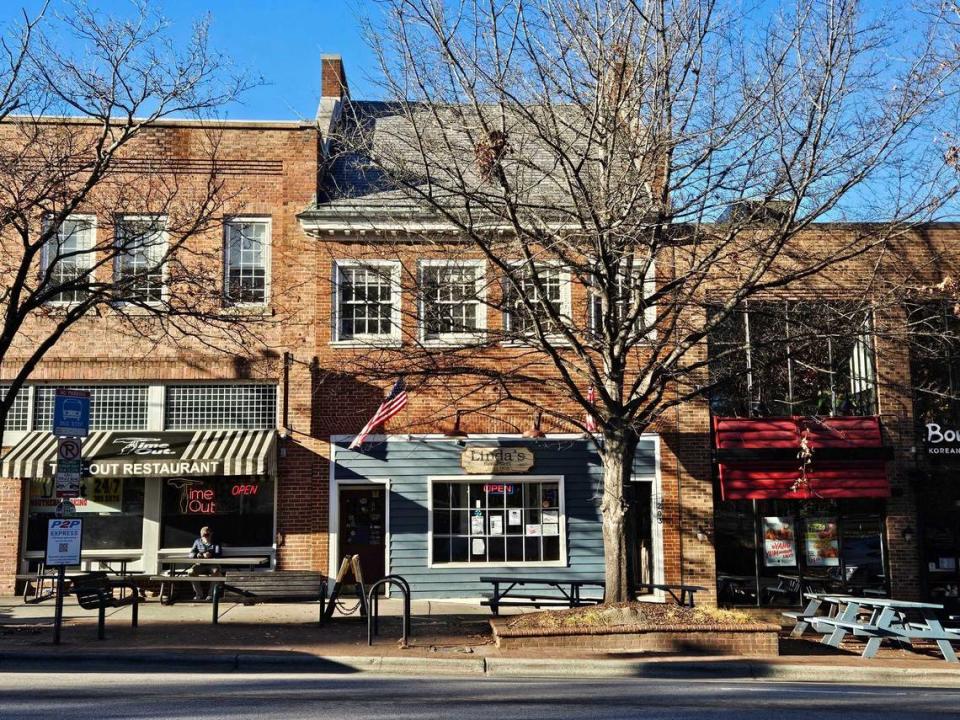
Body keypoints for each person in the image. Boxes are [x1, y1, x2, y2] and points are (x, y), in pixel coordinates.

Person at [188, 526, 222, 601]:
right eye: (204, 535)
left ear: (211, 534)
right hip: (200, 564)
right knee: (191, 572)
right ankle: (199, 594)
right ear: (201, 535)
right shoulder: (197, 541)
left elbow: (219, 553)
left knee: (216, 572)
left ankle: (211, 594)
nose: (205, 536)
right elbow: (191, 554)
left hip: (212, 564)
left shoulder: (216, 542)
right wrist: (197, 555)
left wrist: (211, 555)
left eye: (207, 534)